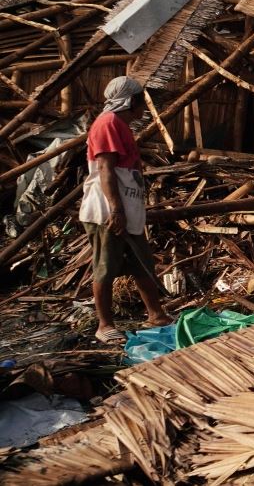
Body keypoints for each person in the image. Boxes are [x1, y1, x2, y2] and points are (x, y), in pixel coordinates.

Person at [79, 76, 172, 345]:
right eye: (141, 101)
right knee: (105, 267)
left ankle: (156, 314)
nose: (143, 107)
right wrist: (116, 210)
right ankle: (104, 325)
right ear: (131, 101)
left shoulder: (119, 125)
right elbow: (106, 169)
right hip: (107, 211)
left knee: (142, 263)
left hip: (126, 211)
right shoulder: (107, 124)